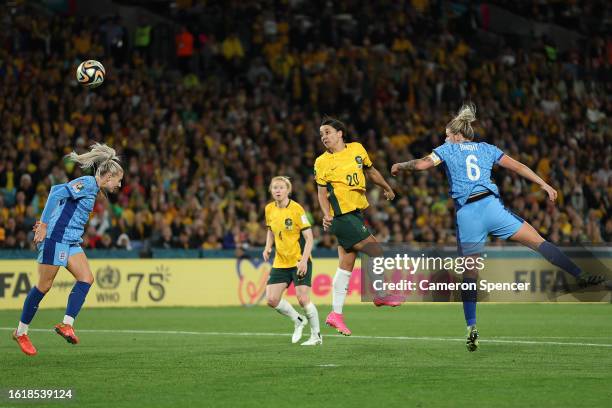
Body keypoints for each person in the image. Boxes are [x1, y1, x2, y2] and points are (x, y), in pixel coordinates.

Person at [391, 104, 606, 352]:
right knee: (539, 242)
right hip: (492, 208)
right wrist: (543, 184)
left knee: (469, 274)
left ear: (457, 136)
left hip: (469, 215)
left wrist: (400, 165)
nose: (445, 138)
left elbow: (421, 165)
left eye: (447, 134)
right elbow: (519, 167)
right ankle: (582, 276)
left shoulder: (447, 149)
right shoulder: (487, 149)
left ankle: (471, 327)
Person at [12, 143, 123, 356]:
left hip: (70, 240)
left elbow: (64, 207)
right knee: (44, 286)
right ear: (109, 177)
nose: (119, 184)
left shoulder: (93, 189)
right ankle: (21, 332)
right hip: (56, 238)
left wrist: (50, 220)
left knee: (87, 278)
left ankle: (67, 324)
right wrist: (45, 225)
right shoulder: (89, 183)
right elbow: (55, 193)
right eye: (119, 180)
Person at [314, 116, 397, 336]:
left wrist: (387, 187)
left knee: (346, 266)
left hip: (356, 214)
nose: (324, 137)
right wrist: (326, 214)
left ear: (340, 133)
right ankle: (380, 294)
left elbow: (371, 172)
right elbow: (321, 193)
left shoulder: (357, 149)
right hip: (342, 216)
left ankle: (336, 314)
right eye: (322, 134)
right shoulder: (321, 162)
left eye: (328, 132)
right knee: (375, 250)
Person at [263, 176, 322, 345]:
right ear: (271, 191)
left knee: (303, 299)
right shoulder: (269, 209)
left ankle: (316, 336)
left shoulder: (297, 209)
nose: (278, 190)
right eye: (275, 187)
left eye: (281, 187)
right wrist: (267, 247)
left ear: (288, 190)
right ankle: (298, 320)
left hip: (298, 260)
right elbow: (270, 230)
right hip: (280, 261)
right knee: (271, 300)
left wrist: (304, 261)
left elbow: (309, 238)